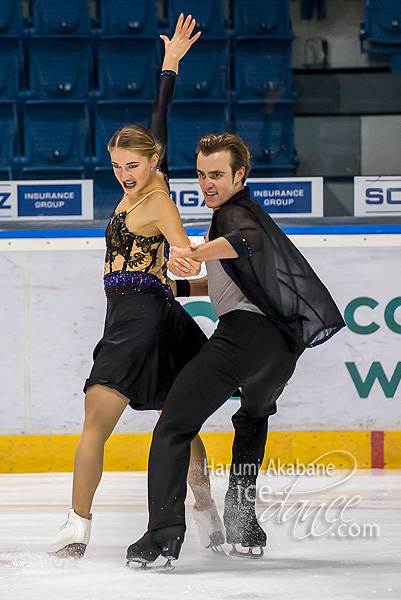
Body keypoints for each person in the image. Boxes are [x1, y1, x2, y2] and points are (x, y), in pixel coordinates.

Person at [48, 15, 224, 558]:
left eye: (135, 164)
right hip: (147, 314)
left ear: (153, 163)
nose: (126, 174)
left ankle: (77, 527)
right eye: (119, 166)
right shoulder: (145, 183)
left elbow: (187, 255)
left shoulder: (159, 199)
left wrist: (189, 254)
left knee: (96, 421)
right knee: (183, 426)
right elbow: (159, 120)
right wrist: (170, 64)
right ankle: (211, 516)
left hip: (141, 316)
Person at [126, 133, 346, 568]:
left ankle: (162, 537)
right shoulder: (235, 215)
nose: (208, 184)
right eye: (203, 175)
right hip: (281, 349)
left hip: (246, 338)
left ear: (240, 175)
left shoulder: (235, 213)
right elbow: (232, 276)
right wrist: (178, 286)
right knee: (251, 420)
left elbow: (244, 242)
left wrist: (190, 250)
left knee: (173, 426)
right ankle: (244, 525)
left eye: (218, 175)